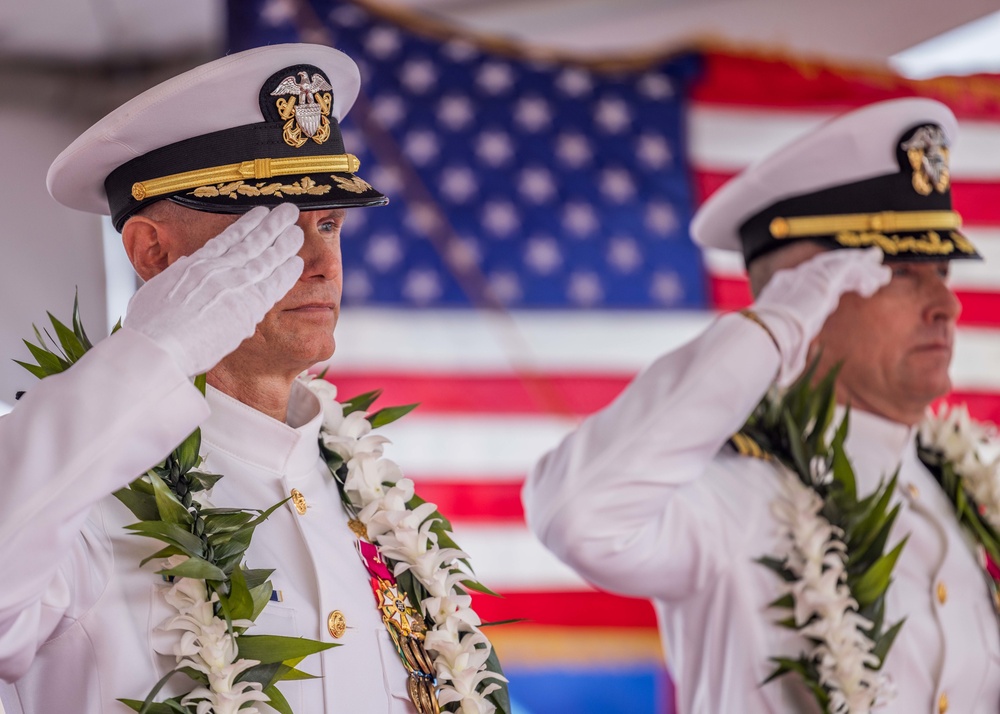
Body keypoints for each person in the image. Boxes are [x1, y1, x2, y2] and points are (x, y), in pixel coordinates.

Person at [0, 44, 504, 714]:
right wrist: (160, 349)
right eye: (271, 232)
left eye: (329, 224)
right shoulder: (74, 500)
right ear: (154, 254)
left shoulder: (376, 509)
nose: (321, 261)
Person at [523, 97, 1000, 713]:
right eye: (906, 272)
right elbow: (576, 515)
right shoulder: (731, 497)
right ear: (815, 289)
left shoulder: (963, 493)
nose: (947, 305)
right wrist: (771, 327)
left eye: (942, 271)